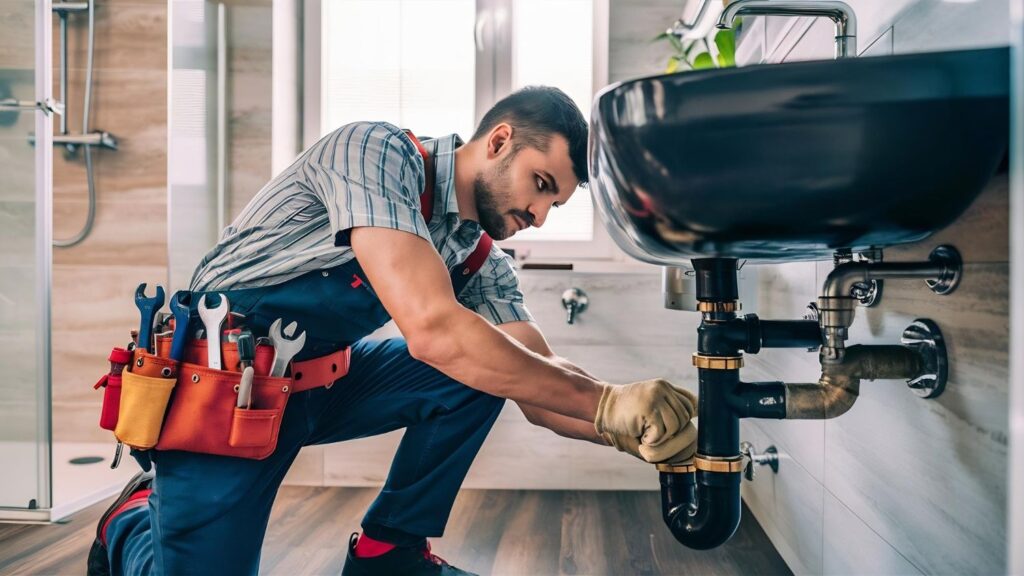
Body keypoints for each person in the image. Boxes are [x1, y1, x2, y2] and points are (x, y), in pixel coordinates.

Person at [87, 86, 698, 576]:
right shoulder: (375, 154)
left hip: (319, 386)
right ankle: (134, 522)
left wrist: (634, 427)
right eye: (541, 185)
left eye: (554, 206)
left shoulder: (479, 254)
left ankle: (389, 552)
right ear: (500, 141)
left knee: (489, 366)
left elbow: (537, 382)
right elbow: (432, 329)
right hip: (221, 392)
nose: (538, 216)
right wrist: (607, 405)